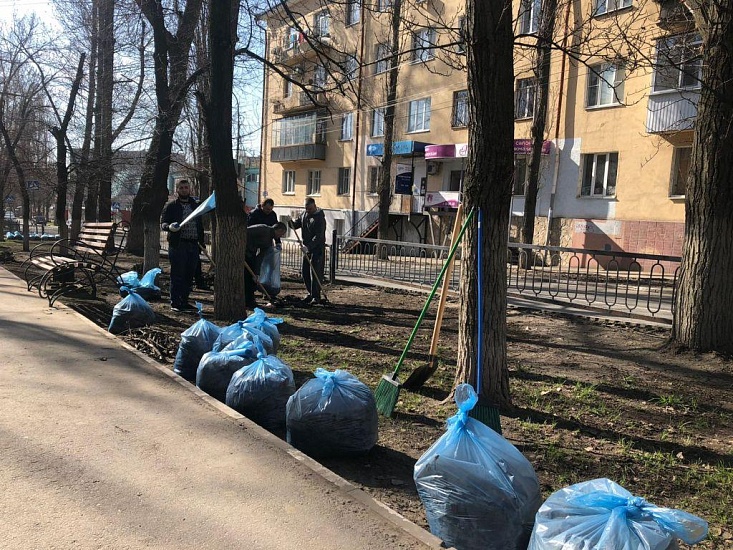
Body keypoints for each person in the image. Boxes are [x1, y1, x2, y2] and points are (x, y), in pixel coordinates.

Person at [161, 180, 205, 312]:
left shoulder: (195, 205)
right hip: (178, 244)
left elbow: (200, 224)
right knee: (177, 274)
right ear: (177, 190)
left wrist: (201, 242)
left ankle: (184, 301)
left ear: (189, 189)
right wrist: (169, 227)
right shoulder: (171, 206)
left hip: (193, 244)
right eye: (181, 188)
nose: (184, 190)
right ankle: (175, 302)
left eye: (186, 187)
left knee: (189, 274)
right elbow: (163, 223)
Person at [289, 197, 326, 305]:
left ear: (314, 206)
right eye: (306, 208)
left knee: (315, 273)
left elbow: (318, 236)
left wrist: (309, 247)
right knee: (305, 271)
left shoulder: (320, 218)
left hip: (317, 249)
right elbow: (296, 225)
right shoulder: (304, 215)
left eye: (309, 208)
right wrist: (290, 222)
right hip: (307, 248)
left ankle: (316, 296)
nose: (308, 211)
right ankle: (310, 293)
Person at [245, 222, 288, 309]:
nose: (280, 237)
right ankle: (248, 301)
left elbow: (260, 257)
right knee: (246, 278)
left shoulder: (268, 242)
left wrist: (256, 273)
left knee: (251, 279)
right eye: (281, 234)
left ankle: (249, 301)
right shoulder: (262, 229)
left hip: (250, 254)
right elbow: (245, 232)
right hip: (244, 251)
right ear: (279, 230)